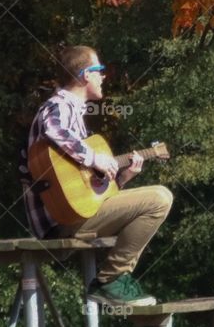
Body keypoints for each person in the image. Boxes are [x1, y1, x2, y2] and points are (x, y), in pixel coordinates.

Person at [19, 45, 173, 305]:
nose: (104, 76)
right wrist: (95, 158)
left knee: (153, 200)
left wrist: (123, 178)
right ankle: (110, 279)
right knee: (160, 198)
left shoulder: (76, 116)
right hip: (61, 223)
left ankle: (112, 280)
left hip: (73, 216)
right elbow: (53, 128)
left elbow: (82, 190)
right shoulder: (58, 106)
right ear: (83, 75)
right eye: (99, 70)